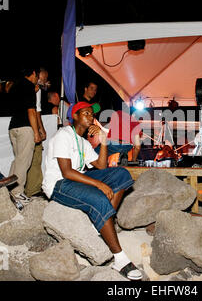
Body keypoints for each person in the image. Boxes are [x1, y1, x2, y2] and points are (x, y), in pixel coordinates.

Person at [42, 101, 143, 280]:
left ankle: (100, 223)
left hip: (76, 180)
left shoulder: (83, 142)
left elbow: (101, 166)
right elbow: (66, 172)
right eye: (86, 113)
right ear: (74, 116)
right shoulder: (63, 135)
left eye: (92, 114)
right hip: (59, 184)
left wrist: (103, 141)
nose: (91, 117)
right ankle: (119, 259)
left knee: (122, 174)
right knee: (99, 198)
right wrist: (98, 184)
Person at [7, 67, 41, 203]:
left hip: (13, 127)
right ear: (33, 73)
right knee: (23, 162)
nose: (37, 79)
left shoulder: (15, 86)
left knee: (17, 160)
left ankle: (9, 188)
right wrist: (36, 132)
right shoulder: (29, 86)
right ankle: (17, 192)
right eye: (37, 76)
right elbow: (31, 111)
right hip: (25, 127)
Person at [24, 67, 48, 197]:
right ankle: (33, 190)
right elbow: (35, 111)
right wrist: (40, 130)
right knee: (35, 157)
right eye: (44, 78)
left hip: (21, 126)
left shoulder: (25, 87)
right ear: (38, 76)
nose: (44, 81)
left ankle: (29, 189)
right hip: (30, 127)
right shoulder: (35, 89)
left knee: (25, 160)